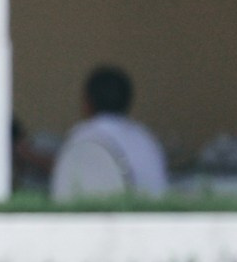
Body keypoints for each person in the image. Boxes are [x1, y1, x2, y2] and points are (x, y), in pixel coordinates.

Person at [51, 65, 169, 202]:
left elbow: (64, 190)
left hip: (111, 221)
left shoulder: (84, 136)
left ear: (88, 101)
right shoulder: (145, 137)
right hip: (155, 220)